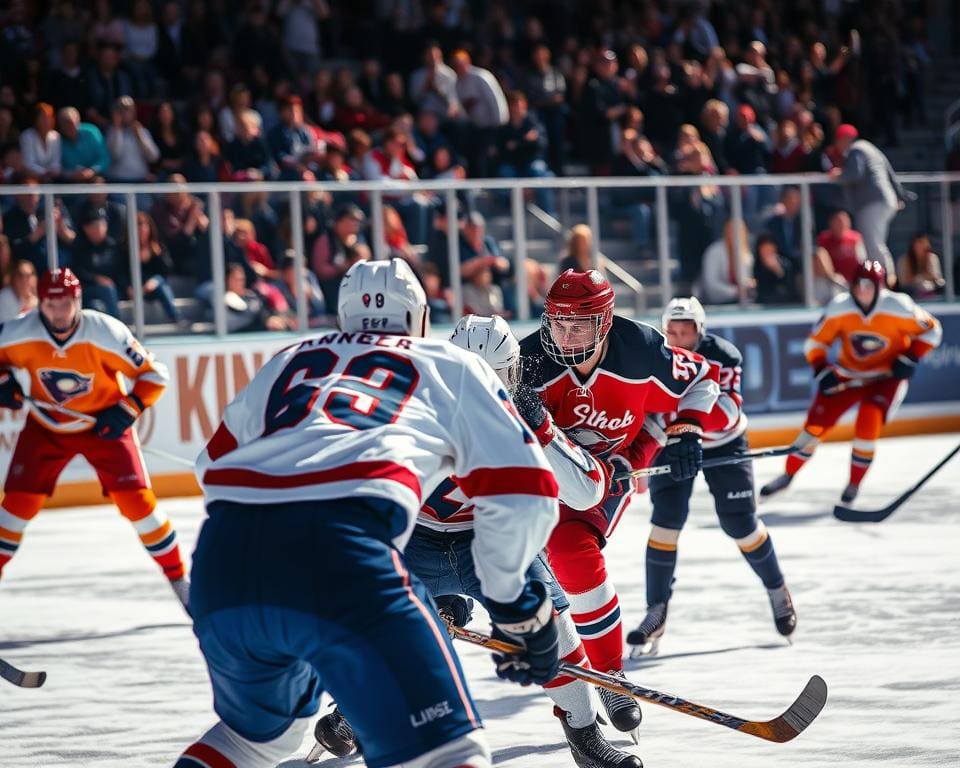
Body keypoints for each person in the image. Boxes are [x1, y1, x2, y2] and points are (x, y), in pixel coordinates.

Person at [175, 259, 560, 768]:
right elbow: (526, 488)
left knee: (257, 741)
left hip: (224, 561)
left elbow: (211, 465)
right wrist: (518, 607)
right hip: (343, 554)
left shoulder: (289, 360)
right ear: (420, 318)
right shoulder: (449, 364)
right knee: (450, 752)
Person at [311, 314, 641, 767]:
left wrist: (540, 429)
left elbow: (586, 492)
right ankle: (355, 707)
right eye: (471, 376)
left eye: (496, 378)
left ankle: (582, 733)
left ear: (513, 375)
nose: (483, 391)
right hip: (418, 538)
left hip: (490, 541)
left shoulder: (524, 416)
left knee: (555, 625)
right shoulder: (415, 411)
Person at [519, 269, 720, 737]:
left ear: (605, 322)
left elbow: (703, 378)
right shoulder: (527, 360)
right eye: (557, 324)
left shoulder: (642, 347)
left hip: (603, 478)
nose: (564, 338)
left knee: (572, 553)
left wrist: (686, 427)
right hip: (541, 478)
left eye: (578, 327)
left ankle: (610, 675)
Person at [0, 268, 187, 610]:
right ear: (40, 303)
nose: (60, 312)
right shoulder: (17, 333)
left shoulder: (103, 331)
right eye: (52, 304)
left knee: (139, 505)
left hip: (102, 426)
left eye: (67, 303)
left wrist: (128, 409)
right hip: (46, 428)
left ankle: (179, 581)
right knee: (13, 511)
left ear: (78, 302)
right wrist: (2, 382)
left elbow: (154, 375)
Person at [628, 298, 796, 657]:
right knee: (664, 524)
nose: (676, 337)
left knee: (741, 524)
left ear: (700, 330)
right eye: (671, 330)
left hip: (723, 444)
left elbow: (730, 411)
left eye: (685, 331)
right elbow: (642, 407)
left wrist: (688, 425)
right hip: (672, 443)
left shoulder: (723, 355)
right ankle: (655, 610)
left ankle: (777, 588)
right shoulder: (655, 354)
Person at [760, 260, 942, 504]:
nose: (863, 290)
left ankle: (854, 484)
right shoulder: (840, 308)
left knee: (868, 421)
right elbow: (815, 343)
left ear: (880, 286)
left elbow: (933, 330)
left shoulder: (898, 306)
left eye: (869, 285)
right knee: (814, 428)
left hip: (885, 378)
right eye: (858, 284)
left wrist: (911, 357)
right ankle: (788, 474)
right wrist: (822, 369)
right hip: (849, 375)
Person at [830, 124, 911, 279]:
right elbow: (889, 172)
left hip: (873, 202)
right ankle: (882, 280)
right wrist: (899, 195)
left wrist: (838, 175)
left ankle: (884, 281)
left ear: (844, 139)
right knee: (876, 243)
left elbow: (854, 174)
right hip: (884, 200)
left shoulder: (856, 149)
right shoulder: (870, 147)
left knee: (873, 245)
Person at [0, 258, 38, 322]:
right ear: (14, 278)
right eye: (20, 275)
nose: (24, 280)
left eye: (28, 276)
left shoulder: (40, 299)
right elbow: (9, 327)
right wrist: (26, 310)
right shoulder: (4, 298)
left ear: (34, 279)